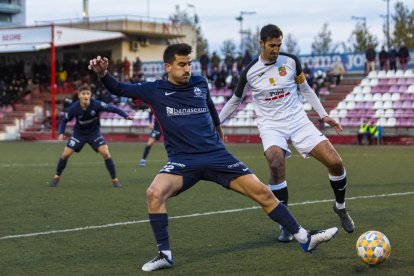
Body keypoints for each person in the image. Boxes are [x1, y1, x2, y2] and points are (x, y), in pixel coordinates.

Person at [89, 43, 339, 272]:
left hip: (217, 155)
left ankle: (305, 238)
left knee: (263, 192)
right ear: (168, 67)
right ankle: (164, 255)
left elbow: (209, 105)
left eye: (189, 64)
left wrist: (218, 129)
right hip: (183, 161)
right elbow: (118, 88)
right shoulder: (154, 90)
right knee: (154, 193)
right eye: (181, 64)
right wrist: (103, 74)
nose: (187, 69)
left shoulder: (200, 83)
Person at [219, 24, 354, 243]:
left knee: (335, 162)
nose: (276, 49)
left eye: (279, 44)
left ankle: (340, 207)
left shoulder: (290, 62)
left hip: (298, 121)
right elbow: (236, 100)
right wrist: (216, 122)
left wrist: (323, 115)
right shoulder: (250, 72)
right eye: (272, 45)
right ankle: (286, 224)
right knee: (275, 162)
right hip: (271, 125)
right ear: (261, 43)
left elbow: (306, 89)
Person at [49, 84, 132, 188]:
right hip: (79, 134)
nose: (86, 96)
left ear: (90, 95)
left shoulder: (96, 104)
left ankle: (115, 180)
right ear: (79, 95)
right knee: (65, 154)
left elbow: (112, 109)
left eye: (88, 94)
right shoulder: (74, 108)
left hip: (94, 133)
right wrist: (61, 132)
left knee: (105, 153)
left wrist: (125, 115)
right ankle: (56, 177)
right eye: (83, 94)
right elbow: (64, 120)